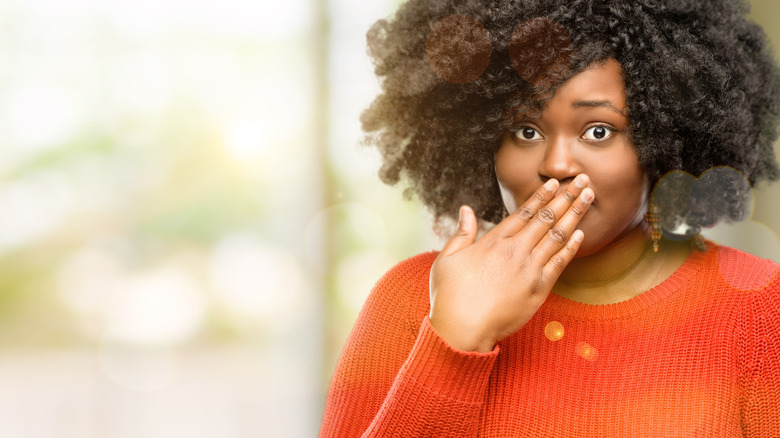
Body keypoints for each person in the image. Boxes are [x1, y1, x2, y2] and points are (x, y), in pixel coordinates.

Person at [320, 0, 780, 436]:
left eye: (598, 131)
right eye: (526, 130)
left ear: (666, 141)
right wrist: (454, 340)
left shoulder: (759, 309)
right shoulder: (411, 302)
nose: (557, 165)